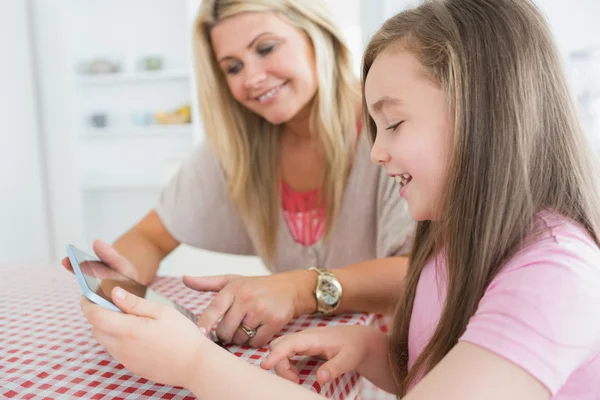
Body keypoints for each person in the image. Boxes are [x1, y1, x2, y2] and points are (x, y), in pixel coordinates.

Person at [80, 0, 600, 398]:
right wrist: (374, 349)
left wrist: (194, 363)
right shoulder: (452, 244)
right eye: (231, 66)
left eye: (393, 124)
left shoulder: (554, 274)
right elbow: (439, 367)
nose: (376, 152)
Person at [64, 0, 414, 349]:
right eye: (232, 68)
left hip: (398, 358)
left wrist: (299, 288)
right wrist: (121, 284)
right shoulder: (237, 150)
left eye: (266, 48)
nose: (252, 79)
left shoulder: (388, 129)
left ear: (317, 35)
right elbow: (151, 237)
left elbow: (426, 271)